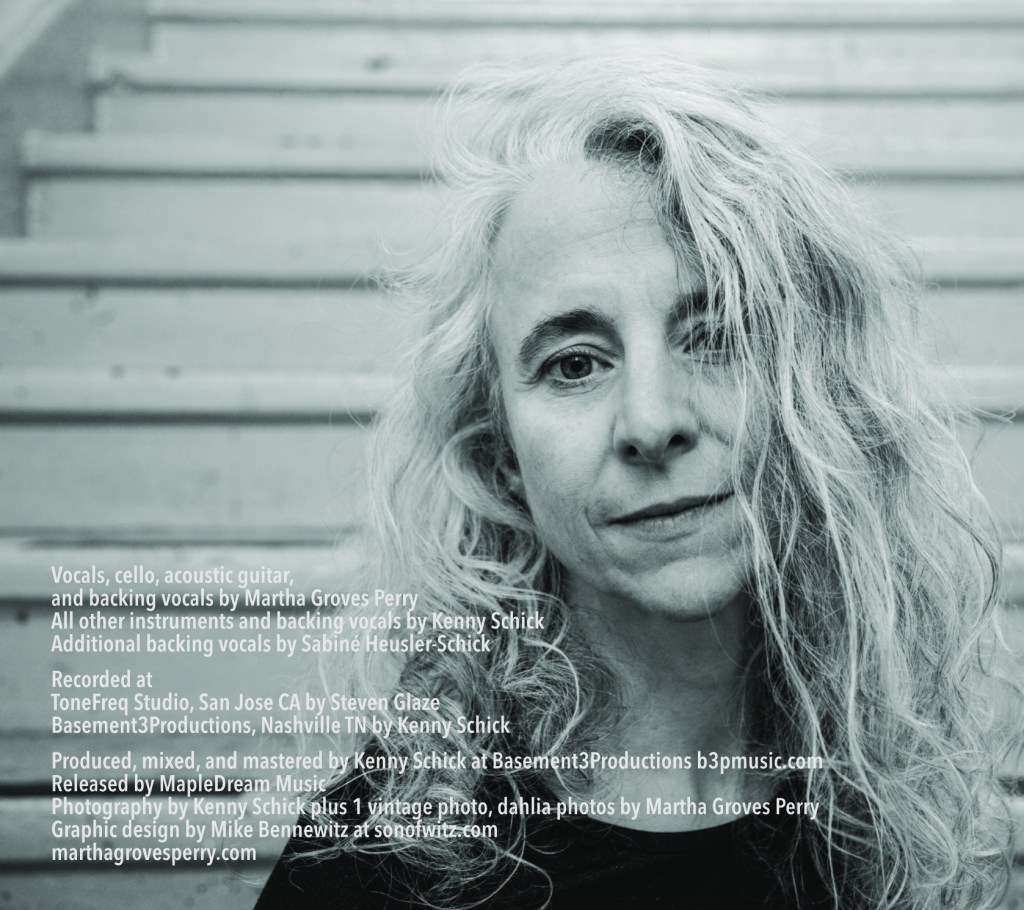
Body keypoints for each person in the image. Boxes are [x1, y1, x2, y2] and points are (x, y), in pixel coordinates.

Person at [254, 54, 1017, 909]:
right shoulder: (385, 862)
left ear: (820, 392)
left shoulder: (886, 799)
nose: (652, 422)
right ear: (499, 456)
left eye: (716, 334)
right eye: (575, 364)